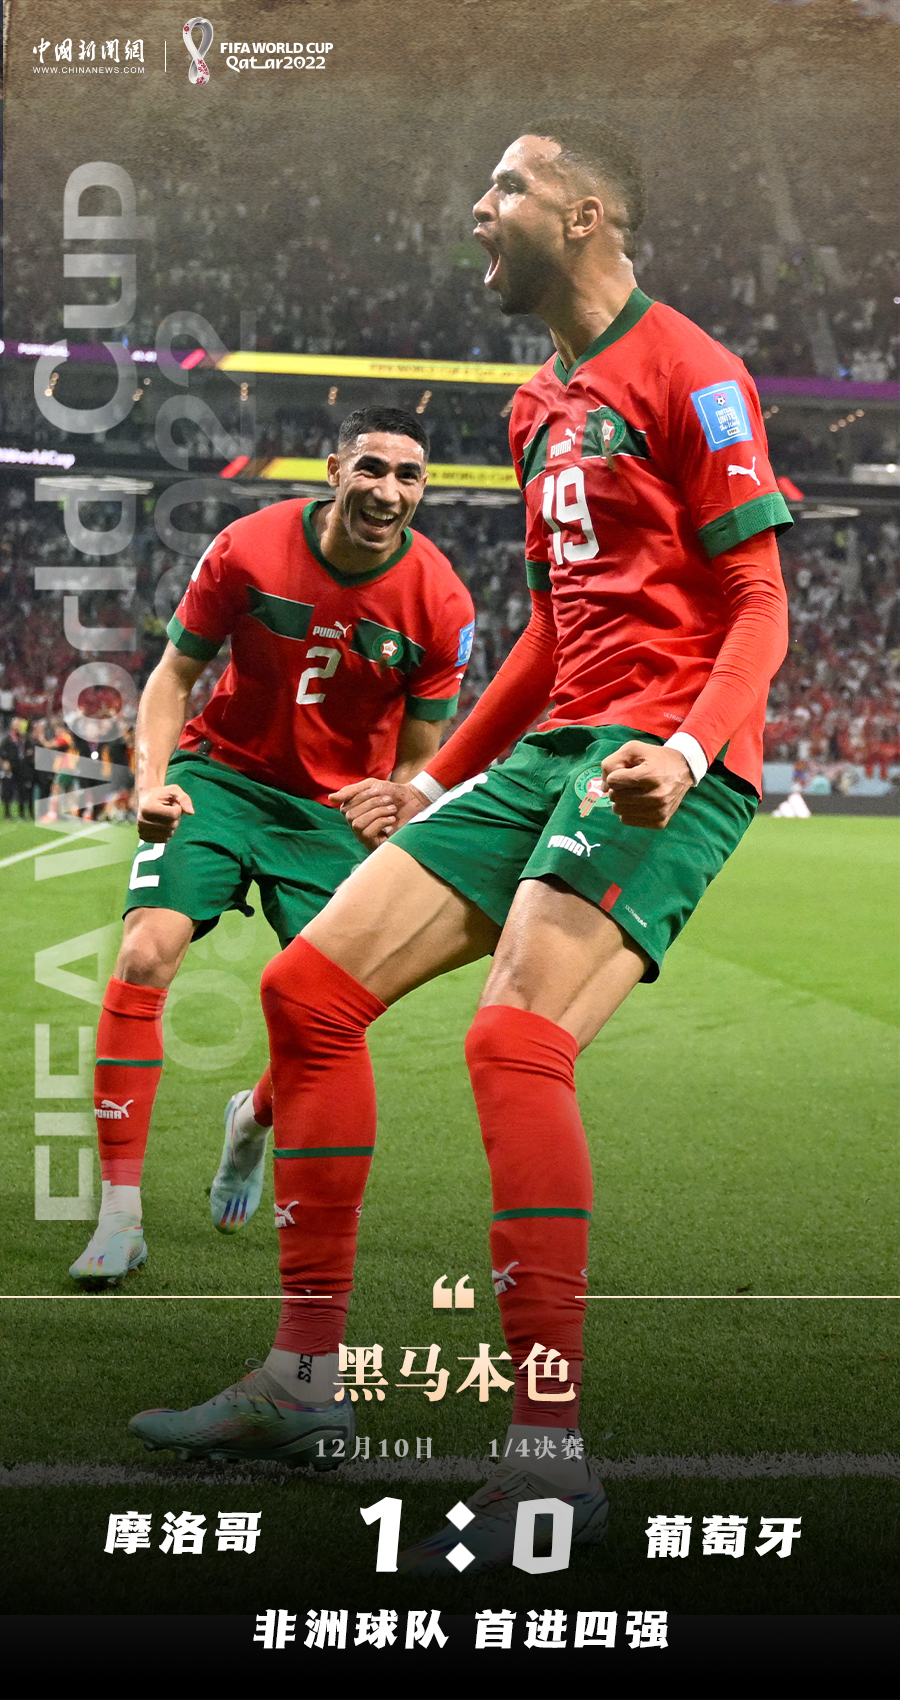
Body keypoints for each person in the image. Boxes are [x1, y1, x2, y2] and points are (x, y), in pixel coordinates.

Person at [131, 119, 791, 1566]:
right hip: (553, 748)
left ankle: (550, 1466)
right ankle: (304, 1383)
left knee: (512, 1041)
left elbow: (758, 602)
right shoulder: (535, 406)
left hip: (664, 756)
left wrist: (687, 754)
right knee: (306, 990)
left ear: (586, 211)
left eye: (507, 186)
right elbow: (553, 633)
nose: (478, 210)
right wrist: (436, 782)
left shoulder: (694, 372)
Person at [70, 406, 474, 1300]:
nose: (388, 491)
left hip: (332, 814)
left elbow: (420, 755)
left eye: (408, 476)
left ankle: (250, 1123)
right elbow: (173, 676)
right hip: (220, 779)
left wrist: (395, 803)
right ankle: (120, 1215)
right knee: (145, 951)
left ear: (422, 490)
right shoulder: (248, 548)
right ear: (335, 470)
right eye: (371, 468)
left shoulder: (441, 602)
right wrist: (149, 783)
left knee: (330, 1014)